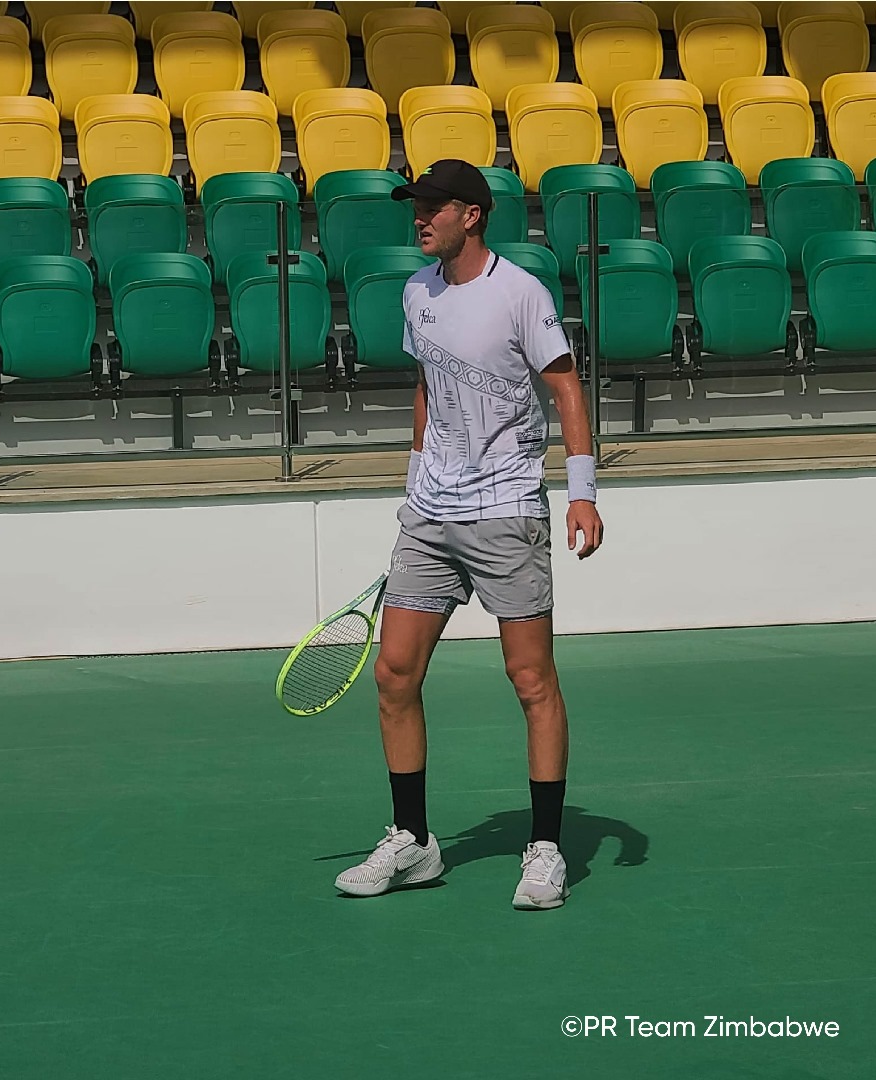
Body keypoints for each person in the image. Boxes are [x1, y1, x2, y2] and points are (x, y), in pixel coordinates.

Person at [334, 159, 604, 909]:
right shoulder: (416, 291)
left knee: (530, 679)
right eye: (413, 208)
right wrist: (415, 475)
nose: (417, 219)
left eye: (430, 208)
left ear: (472, 215)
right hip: (430, 514)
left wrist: (581, 493)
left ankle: (545, 849)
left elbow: (565, 388)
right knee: (394, 674)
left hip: (508, 507)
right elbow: (426, 385)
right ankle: (413, 841)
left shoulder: (521, 293)